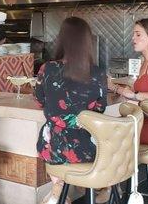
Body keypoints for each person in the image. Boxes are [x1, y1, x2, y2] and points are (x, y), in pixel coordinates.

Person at [34, 17, 107, 204]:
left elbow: (39, 100)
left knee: (49, 133)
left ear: (62, 40)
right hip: (90, 148)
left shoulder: (47, 69)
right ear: (86, 43)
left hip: (54, 146)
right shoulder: (98, 73)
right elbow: (100, 108)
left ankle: (58, 190)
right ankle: (94, 190)